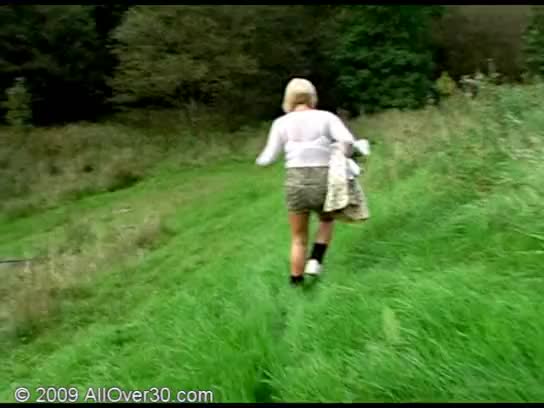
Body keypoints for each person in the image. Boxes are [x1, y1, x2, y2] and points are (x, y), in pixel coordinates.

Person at [255, 78, 357, 286]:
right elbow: (348, 141)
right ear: (312, 97)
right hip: (323, 177)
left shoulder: (281, 123)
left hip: (296, 180)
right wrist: (342, 154)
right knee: (326, 220)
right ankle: (315, 260)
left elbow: (268, 157)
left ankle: (296, 282)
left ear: (288, 99)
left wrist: (259, 162)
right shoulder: (326, 117)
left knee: (298, 237)